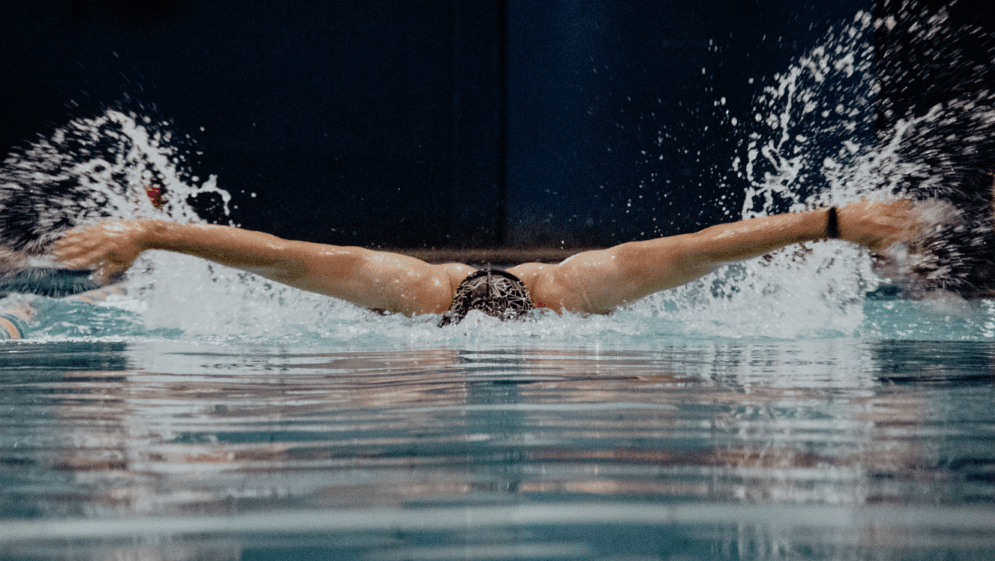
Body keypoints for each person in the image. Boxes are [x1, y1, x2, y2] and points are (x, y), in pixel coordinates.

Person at [53, 201, 916, 324]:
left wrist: (837, 222)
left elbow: (694, 249)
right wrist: (832, 224)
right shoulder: (412, 289)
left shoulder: (580, 287)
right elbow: (281, 259)